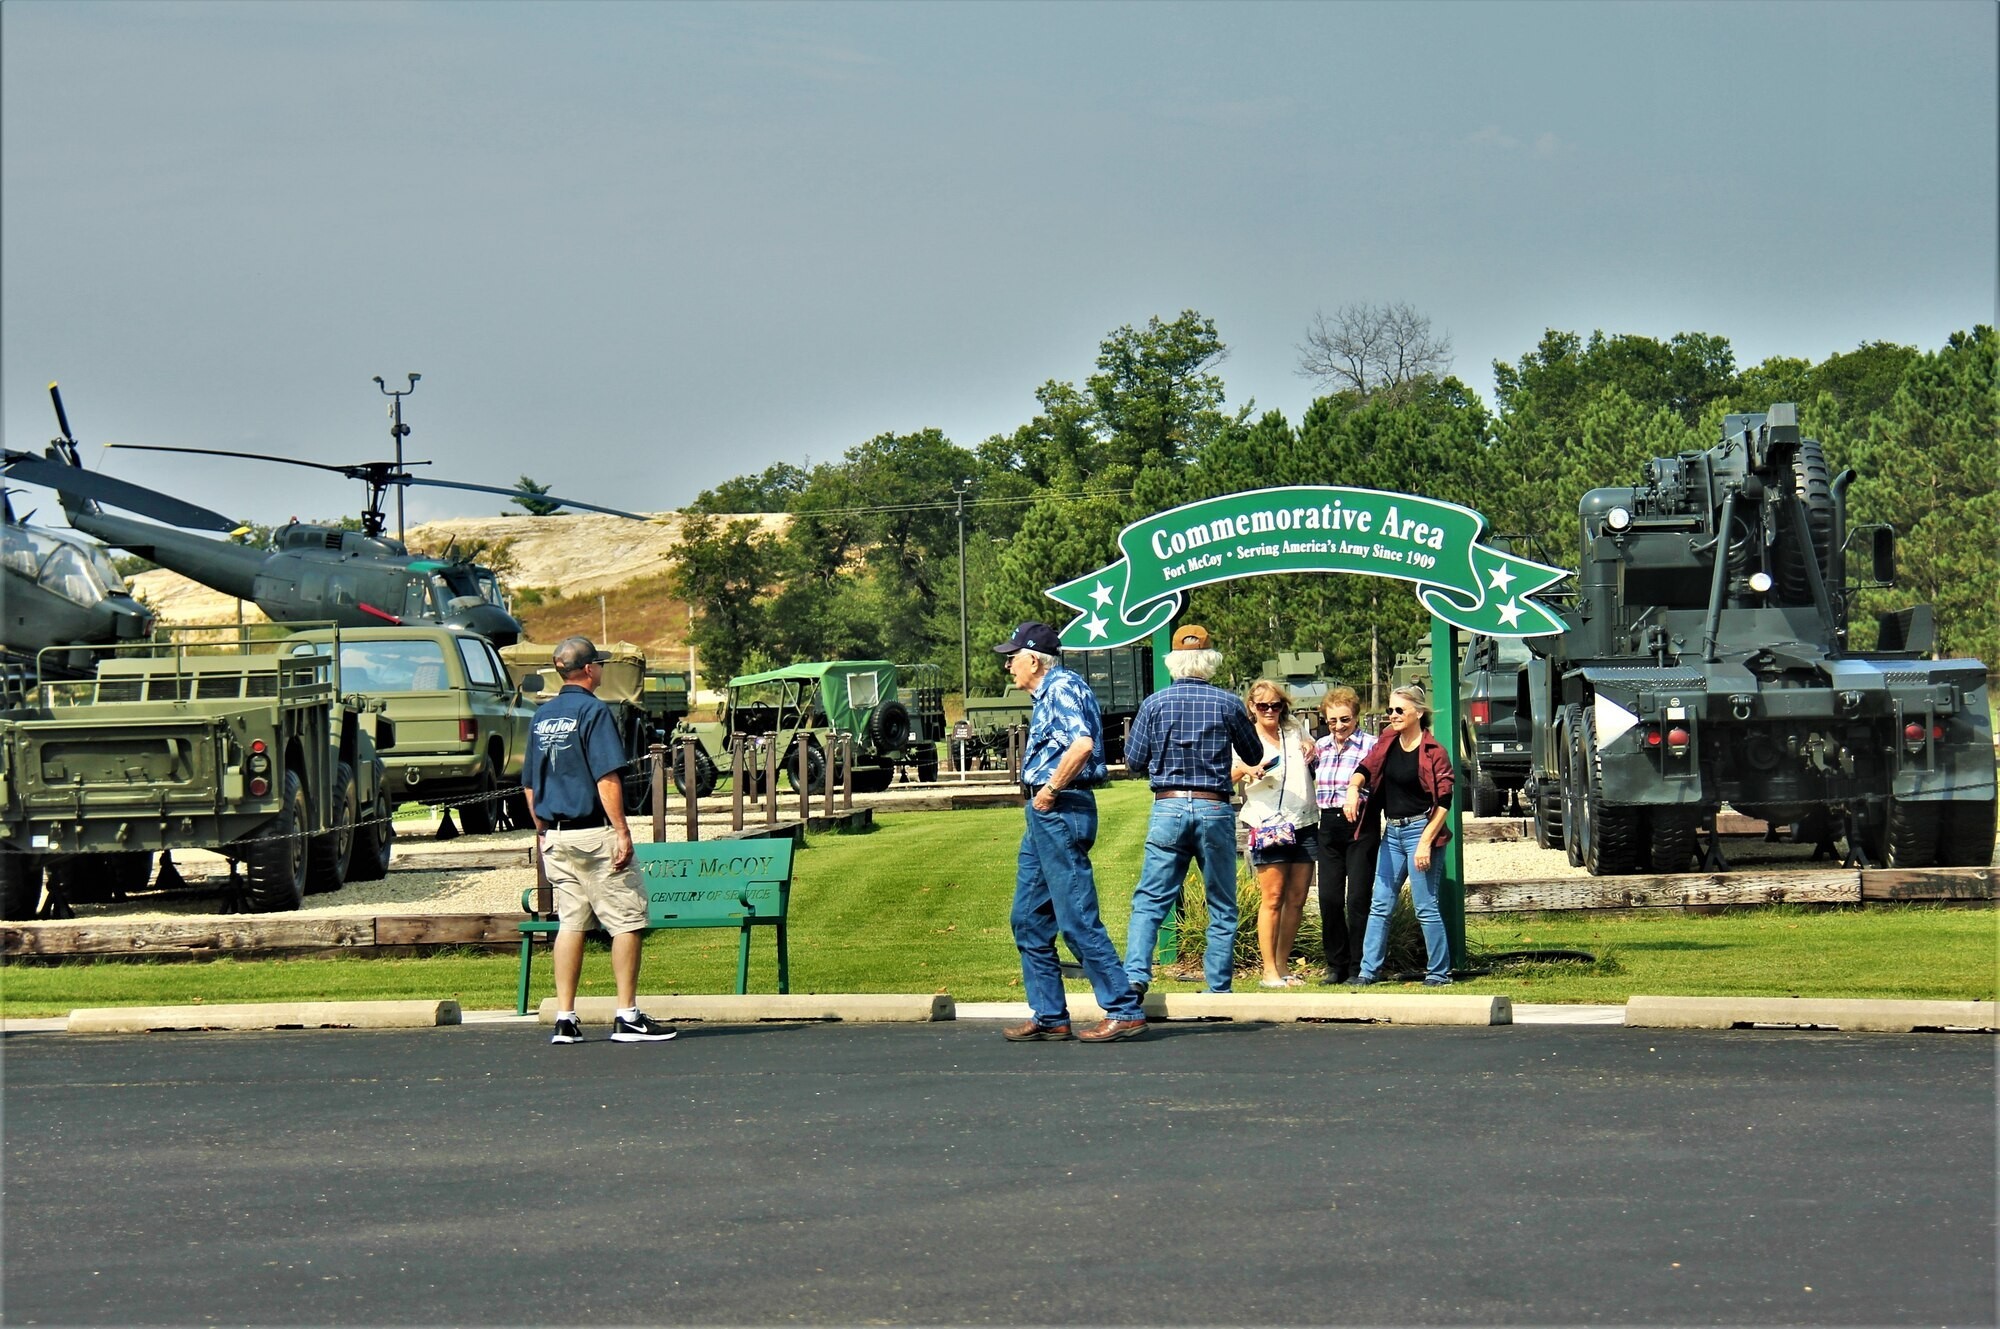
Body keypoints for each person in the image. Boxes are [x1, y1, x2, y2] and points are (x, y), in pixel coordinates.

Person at [994, 621, 1149, 1043]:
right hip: (1047, 812)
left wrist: (1049, 791)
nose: (1008, 665)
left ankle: (1123, 1008)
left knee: (1076, 918)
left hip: (1060, 807)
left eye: (1013, 657)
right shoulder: (1056, 689)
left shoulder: (1060, 688)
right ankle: (1049, 1015)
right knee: (1027, 918)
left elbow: (1080, 745)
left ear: (1033, 660)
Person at [524, 635, 677, 1044]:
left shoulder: (541, 716)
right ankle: (627, 1016)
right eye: (601, 665)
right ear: (590, 670)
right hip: (594, 830)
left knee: (571, 923)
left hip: (556, 835)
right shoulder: (594, 711)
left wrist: (541, 830)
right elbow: (606, 776)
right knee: (626, 920)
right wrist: (622, 831)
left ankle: (566, 1018)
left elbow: (529, 784)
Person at [1121, 623, 1265, 996]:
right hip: (1214, 805)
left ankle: (1136, 974)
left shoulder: (1154, 704)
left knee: (1151, 899)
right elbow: (1253, 755)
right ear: (1210, 661)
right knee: (1221, 901)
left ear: (1173, 662)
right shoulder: (1228, 703)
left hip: (1168, 805)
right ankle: (1218, 987)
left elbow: (1134, 761)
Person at [1344, 682, 1456, 987]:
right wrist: (1353, 789)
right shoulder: (1388, 741)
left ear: (1418, 713)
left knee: (1425, 905)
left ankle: (1439, 973)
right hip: (1392, 832)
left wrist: (1425, 843)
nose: (1392, 715)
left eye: (1399, 710)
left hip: (1422, 829)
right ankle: (1368, 972)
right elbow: (1366, 767)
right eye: (1390, 710)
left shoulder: (1434, 751)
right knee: (1380, 903)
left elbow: (1445, 800)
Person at [1236, 680, 1320, 987]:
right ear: (1252, 708)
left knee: (1297, 897)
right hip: (1268, 822)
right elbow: (1228, 773)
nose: (1270, 711)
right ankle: (1268, 970)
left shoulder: (1295, 728)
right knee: (1272, 897)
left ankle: (1283, 965)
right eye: (1263, 706)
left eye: (1276, 705)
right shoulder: (1244, 738)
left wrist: (1311, 746)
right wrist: (1248, 769)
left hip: (1304, 819)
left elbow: (1312, 747)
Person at [1311, 687, 1380, 984]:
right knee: (1328, 897)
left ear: (1356, 717)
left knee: (1358, 898)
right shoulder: (1320, 747)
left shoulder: (1371, 746)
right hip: (1328, 823)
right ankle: (1335, 964)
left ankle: (1358, 966)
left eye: (1345, 719)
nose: (1339, 726)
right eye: (1332, 721)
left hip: (1360, 824)